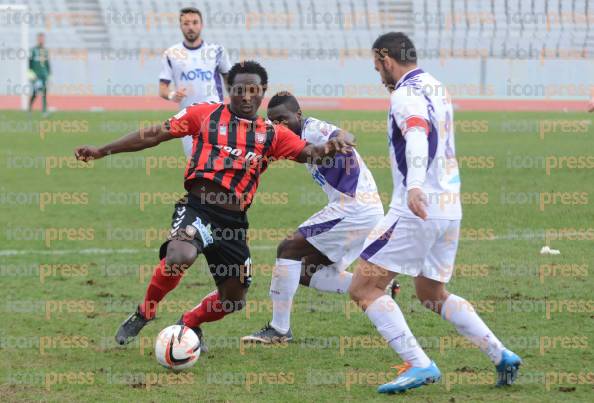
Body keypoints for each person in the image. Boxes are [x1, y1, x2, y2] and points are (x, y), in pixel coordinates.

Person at [74, 61, 354, 349]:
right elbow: (155, 134)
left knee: (233, 300)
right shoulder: (204, 115)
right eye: (239, 90)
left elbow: (309, 152)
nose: (246, 97)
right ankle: (145, 311)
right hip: (198, 208)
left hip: (233, 224)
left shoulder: (272, 134)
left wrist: (331, 146)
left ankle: (190, 322)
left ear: (263, 93)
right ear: (228, 90)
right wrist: (101, 150)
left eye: (254, 91)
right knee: (179, 255)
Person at [348, 32, 522, 394]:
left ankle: (418, 363)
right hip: (449, 207)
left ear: (387, 61)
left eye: (377, 66)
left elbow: (417, 132)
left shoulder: (404, 94)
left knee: (364, 287)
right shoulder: (436, 86)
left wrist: (413, 186)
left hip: (417, 206)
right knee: (430, 291)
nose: (378, 74)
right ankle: (500, 354)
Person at [241, 92, 384, 343]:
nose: (279, 126)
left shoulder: (314, 129)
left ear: (298, 115)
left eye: (283, 119)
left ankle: (279, 330)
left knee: (288, 249)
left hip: (354, 207)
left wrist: (340, 141)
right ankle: (379, 290)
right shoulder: (288, 139)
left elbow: (345, 136)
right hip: (359, 208)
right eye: (273, 121)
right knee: (306, 270)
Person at [159, 7, 232, 157]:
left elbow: (230, 81)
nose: (190, 27)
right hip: (187, 119)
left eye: (194, 22)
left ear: (201, 24)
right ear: (180, 26)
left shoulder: (217, 51)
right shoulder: (171, 53)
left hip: (215, 116)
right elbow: (162, 89)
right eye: (186, 23)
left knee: (219, 162)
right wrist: (173, 94)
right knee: (194, 164)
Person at [28, 33, 50, 116]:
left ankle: (44, 110)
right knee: (35, 93)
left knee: (44, 92)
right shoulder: (33, 50)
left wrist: (49, 73)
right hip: (36, 76)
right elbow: (29, 63)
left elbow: (47, 63)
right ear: (38, 39)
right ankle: (30, 107)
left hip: (43, 75)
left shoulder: (45, 51)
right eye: (40, 38)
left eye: (43, 38)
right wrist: (31, 75)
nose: (42, 40)